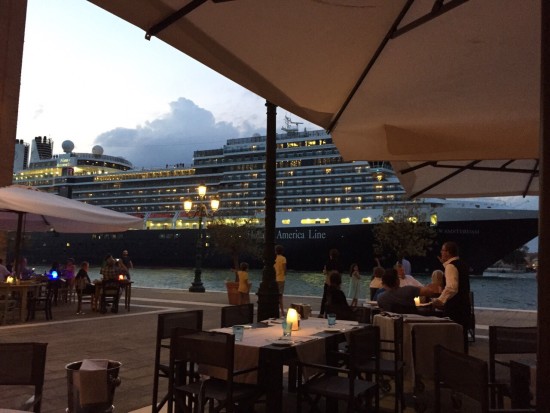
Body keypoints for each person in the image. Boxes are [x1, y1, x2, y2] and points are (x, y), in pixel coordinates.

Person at [432, 241, 471, 353]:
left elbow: (452, 287)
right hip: (465, 307)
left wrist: (440, 300)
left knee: (452, 338)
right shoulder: (462, 264)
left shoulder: (450, 266)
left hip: (455, 309)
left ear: (448, 253)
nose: (441, 252)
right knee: (462, 339)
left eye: (442, 250)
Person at [320, 248, 340, 317]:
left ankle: (322, 313)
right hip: (336, 284)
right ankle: (335, 313)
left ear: (330, 255)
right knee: (336, 299)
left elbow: (325, 272)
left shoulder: (328, 263)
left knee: (325, 298)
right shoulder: (338, 264)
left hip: (328, 283)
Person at [274, 245, 287, 316]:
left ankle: (275, 310)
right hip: (281, 279)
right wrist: (285, 273)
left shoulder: (274, 258)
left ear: (275, 251)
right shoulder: (283, 258)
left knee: (274, 296)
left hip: (275, 279)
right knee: (280, 296)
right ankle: (282, 312)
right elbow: (284, 268)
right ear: (282, 251)